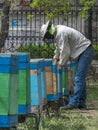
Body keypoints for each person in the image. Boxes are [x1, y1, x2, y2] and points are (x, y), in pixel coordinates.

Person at [41, 21, 94, 110]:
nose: (48, 38)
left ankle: (73, 103)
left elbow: (65, 51)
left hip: (85, 51)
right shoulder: (58, 32)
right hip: (83, 52)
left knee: (78, 78)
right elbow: (59, 48)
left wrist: (61, 64)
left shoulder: (60, 33)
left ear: (49, 32)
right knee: (80, 79)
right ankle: (81, 103)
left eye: (47, 36)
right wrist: (55, 58)